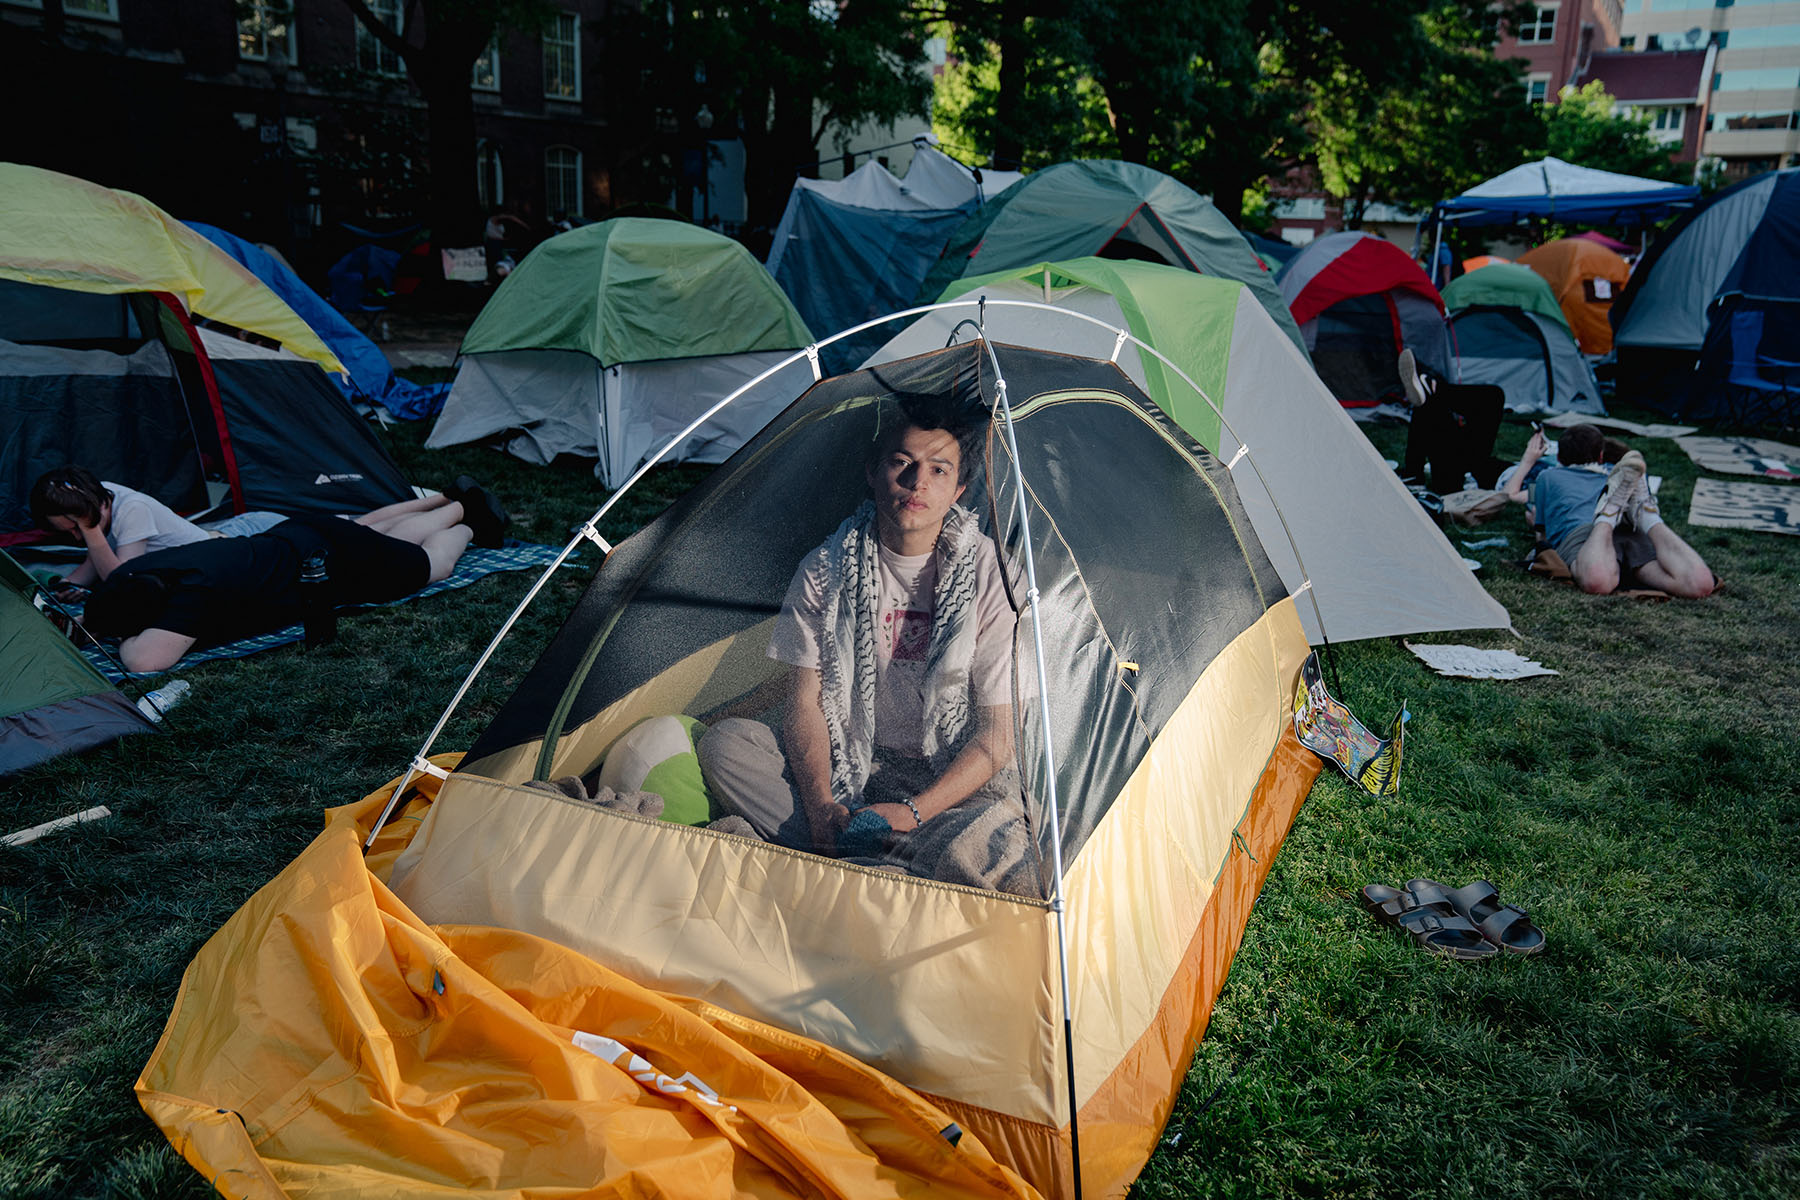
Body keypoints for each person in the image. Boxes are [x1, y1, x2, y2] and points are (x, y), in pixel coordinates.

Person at [695, 399, 1019, 864]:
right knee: (727, 746)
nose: (916, 483)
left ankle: (862, 852)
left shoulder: (994, 577)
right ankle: (858, 847)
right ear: (872, 472)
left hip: (946, 780)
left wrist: (912, 812)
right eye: (902, 463)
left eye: (938, 470)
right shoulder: (825, 568)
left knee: (991, 833)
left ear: (959, 490)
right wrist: (822, 805)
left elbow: (997, 738)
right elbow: (804, 702)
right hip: (850, 760)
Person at [82, 485, 509, 673]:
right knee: (382, 541)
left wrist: (124, 639)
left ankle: (468, 523)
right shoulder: (146, 569)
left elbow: (145, 660)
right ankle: (452, 504)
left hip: (326, 560)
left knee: (429, 567)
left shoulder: (192, 595)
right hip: (299, 535)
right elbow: (115, 579)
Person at [1508, 423, 1716, 598]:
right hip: (1629, 529)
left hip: (1580, 534)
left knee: (1599, 583)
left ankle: (1609, 514)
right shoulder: (1619, 474)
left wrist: (1529, 459)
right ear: (1600, 456)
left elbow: (1540, 533)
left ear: (1559, 457)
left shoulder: (1547, 476)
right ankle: (1646, 516)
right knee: (1700, 585)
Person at [29, 466, 287, 600]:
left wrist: (90, 528)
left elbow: (122, 580)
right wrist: (66, 588)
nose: (77, 537)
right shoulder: (97, 496)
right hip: (215, 537)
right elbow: (93, 564)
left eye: (77, 527)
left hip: (239, 539)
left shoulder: (131, 509)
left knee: (306, 535)